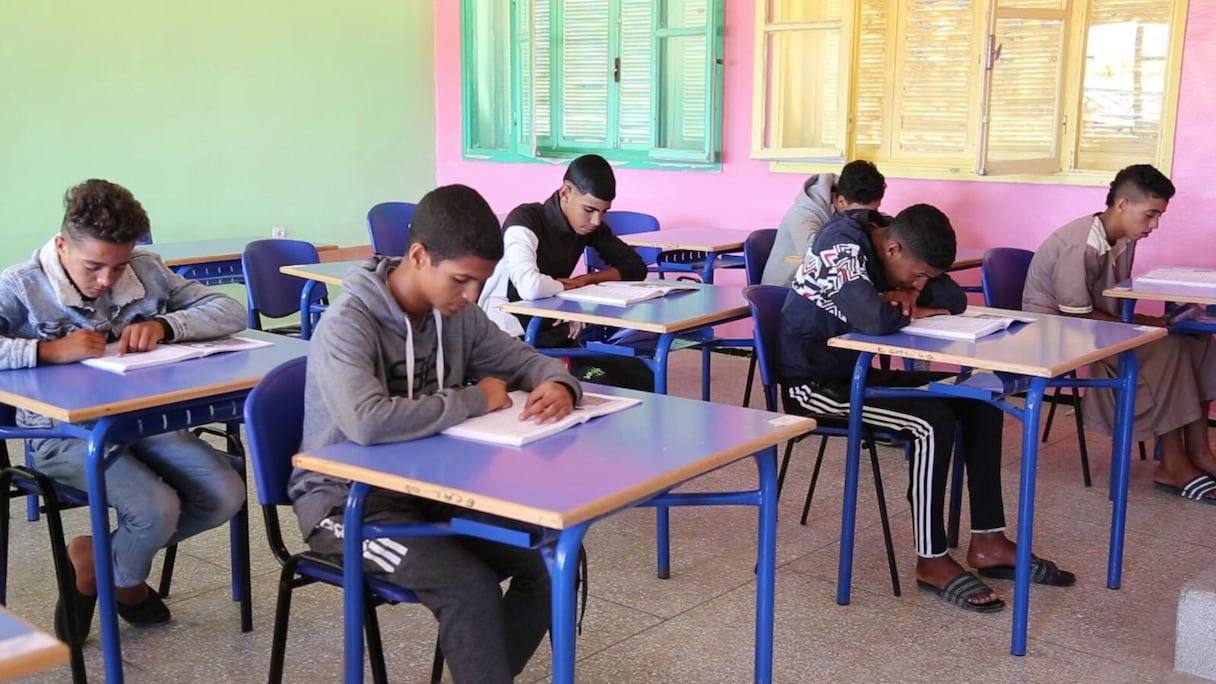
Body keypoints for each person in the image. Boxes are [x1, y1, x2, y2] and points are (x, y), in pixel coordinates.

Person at [287, 184, 581, 684]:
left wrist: (560, 383)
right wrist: (474, 398)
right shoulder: (348, 324)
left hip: (431, 489)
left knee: (550, 557)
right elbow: (368, 420)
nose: (471, 297)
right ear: (419, 256)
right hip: (345, 506)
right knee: (468, 586)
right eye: (462, 280)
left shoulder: (458, 314)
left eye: (479, 283)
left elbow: (524, 361)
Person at [776, 203, 1075, 613]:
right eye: (916, 274)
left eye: (924, 277)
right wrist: (899, 301)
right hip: (814, 386)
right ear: (894, 249)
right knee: (931, 422)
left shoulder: (895, 243)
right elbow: (876, 320)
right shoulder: (840, 244)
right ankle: (931, 558)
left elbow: (953, 297)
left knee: (978, 399)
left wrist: (911, 291)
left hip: (863, 375)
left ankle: (988, 539)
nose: (920, 282)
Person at [0, 179, 248, 642]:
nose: (106, 281)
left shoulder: (147, 270)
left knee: (225, 494)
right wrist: (45, 351)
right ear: (61, 245)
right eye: (94, 266)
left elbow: (229, 310)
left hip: (145, 420)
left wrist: (165, 325)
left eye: (118, 267)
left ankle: (99, 562)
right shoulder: (20, 287)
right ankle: (128, 584)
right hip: (64, 435)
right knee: (156, 509)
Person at [1023, 164, 1216, 504]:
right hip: (1056, 334)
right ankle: (1173, 463)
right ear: (1123, 204)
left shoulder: (1123, 238)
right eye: (1150, 215)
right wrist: (1142, 326)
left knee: (1197, 341)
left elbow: (1109, 306)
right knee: (1167, 349)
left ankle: (1200, 452)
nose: (1155, 225)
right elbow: (1076, 317)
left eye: (1159, 216)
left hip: (1093, 326)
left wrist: (1144, 321)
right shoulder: (1080, 244)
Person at [478, 153, 655, 390]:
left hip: (553, 329)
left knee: (642, 378)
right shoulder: (525, 220)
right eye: (590, 210)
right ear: (565, 193)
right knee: (599, 385)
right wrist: (563, 287)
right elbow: (530, 287)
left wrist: (587, 279)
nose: (596, 221)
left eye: (603, 212)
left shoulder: (588, 226)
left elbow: (634, 266)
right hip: (508, 335)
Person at [760, 160, 887, 286]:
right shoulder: (802, 215)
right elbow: (820, 257)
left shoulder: (851, 199)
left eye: (875, 210)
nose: (867, 217)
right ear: (841, 201)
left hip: (825, 286)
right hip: (784, 291)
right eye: (862, 213)